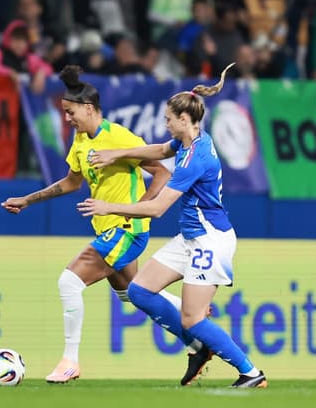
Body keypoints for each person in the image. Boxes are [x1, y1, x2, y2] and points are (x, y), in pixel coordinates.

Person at [80, 64, 268, 388]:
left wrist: (109, 207)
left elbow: (156, 209)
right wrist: (118, 154)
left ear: (184, 119)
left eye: (168, 119)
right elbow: (158, 150)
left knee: (193, 317)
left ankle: (250, 372)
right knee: (139, 290)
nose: (164, 124)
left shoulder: (197, 157)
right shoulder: (187, 142)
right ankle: (197, 345)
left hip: (210, 241)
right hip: (191, 237)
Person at [0, 65, 178, 383]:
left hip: (126, 230)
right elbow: (71, 182)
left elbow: (163, 172)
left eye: (70, 113)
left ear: (89, 108)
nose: (67, 118)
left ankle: (70, 361)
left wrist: (138, 209)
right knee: (137, 295)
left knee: (69, 282)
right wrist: (27, 200)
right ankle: (194, 318)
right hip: (108, 229)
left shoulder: (119, 137)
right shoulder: (81, 141)